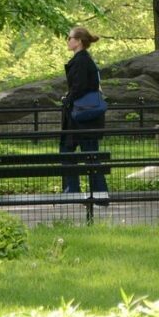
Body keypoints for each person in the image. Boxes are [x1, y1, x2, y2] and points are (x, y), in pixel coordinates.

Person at [61, 25, 110, 203]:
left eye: (70, 38)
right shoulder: (82, 59)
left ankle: (98, 196)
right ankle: (74, 192)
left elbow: (80, 87)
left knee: (88, 156)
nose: (68, 41)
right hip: (82, 117)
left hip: (83, 118)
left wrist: (68, 99)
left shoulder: (82, 60)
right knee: (71, 152)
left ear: (79, 41)